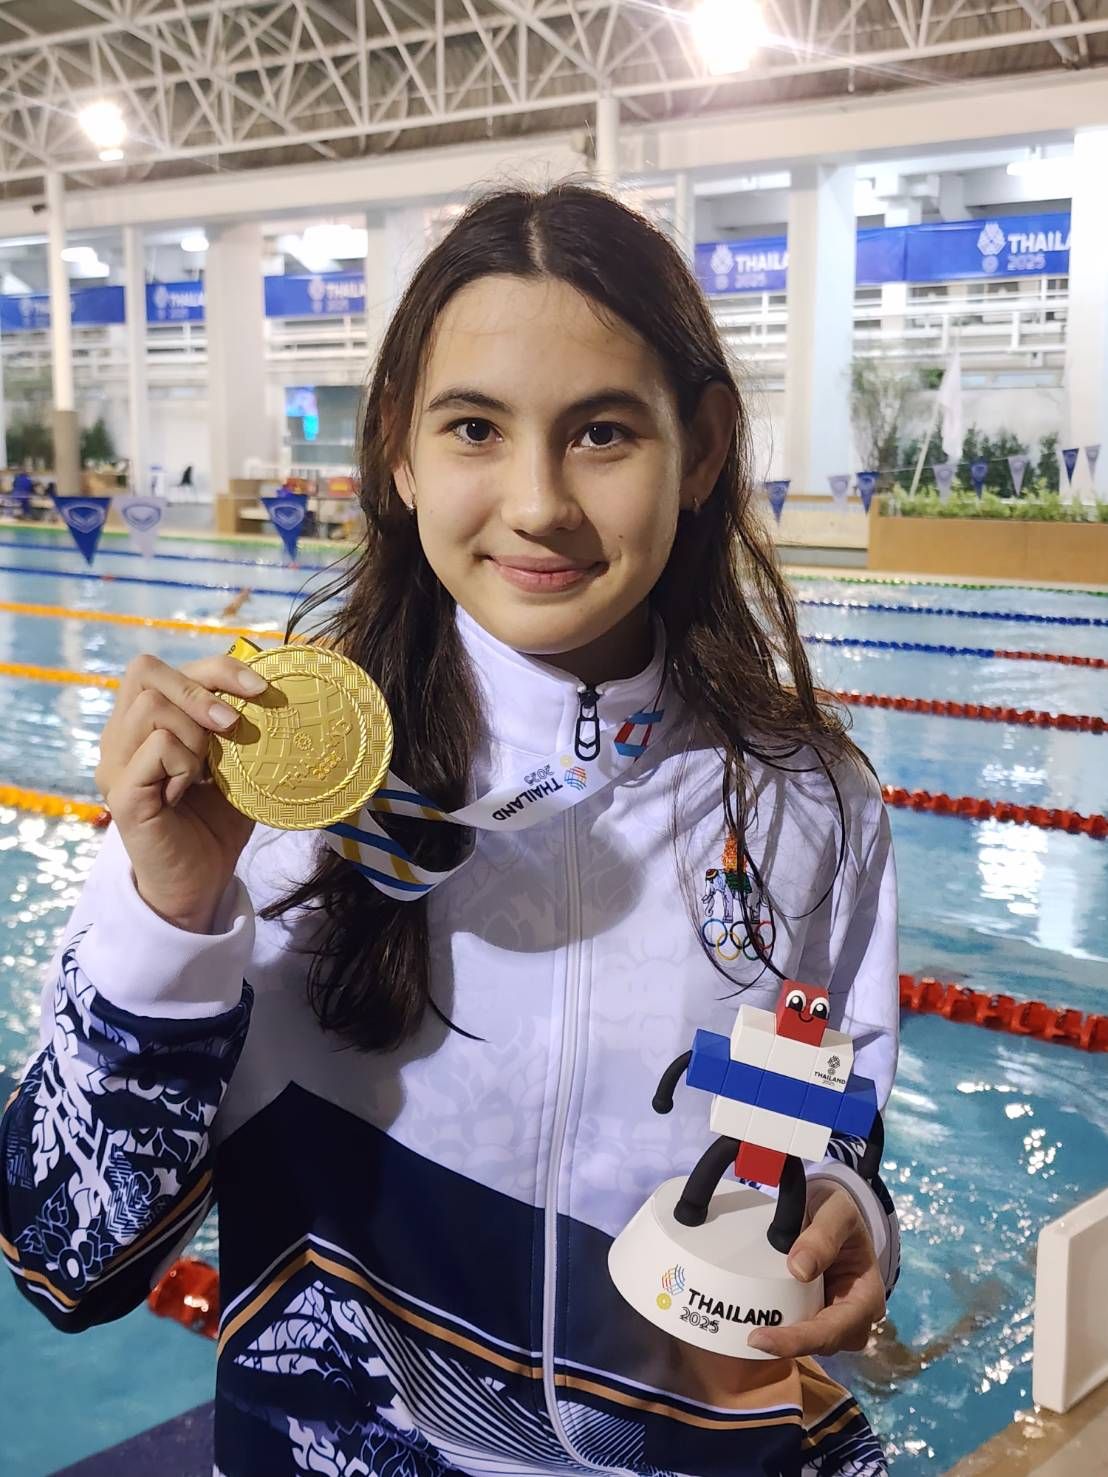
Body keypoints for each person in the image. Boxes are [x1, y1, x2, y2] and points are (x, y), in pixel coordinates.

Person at [0, 186, 900, 1477]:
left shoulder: (810, 796)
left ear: (702, 450)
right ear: (400, 451)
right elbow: (68, 1260)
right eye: (476, 427)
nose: (539, 503)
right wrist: (169, 922)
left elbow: (830, 1118)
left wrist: (847, 1210)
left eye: (602, 432)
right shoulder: (258, 799)